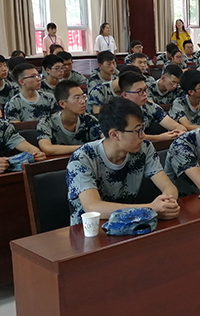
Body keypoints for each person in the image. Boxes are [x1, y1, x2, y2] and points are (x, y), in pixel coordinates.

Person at [66, 97, 180, 225]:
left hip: (131, 223)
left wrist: (168, 202)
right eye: (137, 130)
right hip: (90, 229)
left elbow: (168, 186)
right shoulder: (82, 158)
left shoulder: (144, 148)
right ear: (114, 134)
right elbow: (93, 207)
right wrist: (151, 208)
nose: (143, 135)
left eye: (142, 128)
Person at [37, 81, 102, 155]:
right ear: (62, 104)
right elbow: (47, 148)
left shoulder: (89, 119)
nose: (83, 101)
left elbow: (104, 139)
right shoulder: (47, 122)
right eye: (77, 98)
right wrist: (84, 147)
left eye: (83, 96)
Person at [118, 71, 186, 141]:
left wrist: (178, 132)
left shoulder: (150, 107)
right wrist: (161, 137)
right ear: (125, 95)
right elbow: (131, 137)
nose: (145, 94)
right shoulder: (117, 112)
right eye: (139, 91)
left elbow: (177, 126)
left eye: (145, 89)